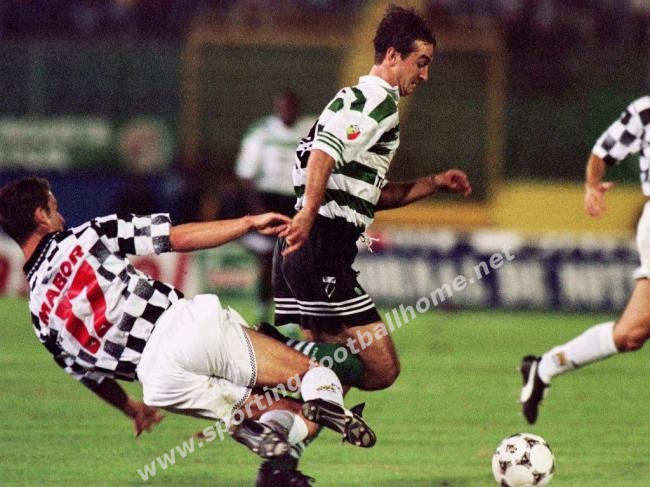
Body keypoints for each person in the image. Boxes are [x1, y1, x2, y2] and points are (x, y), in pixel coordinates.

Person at [0, 176, 377, 484]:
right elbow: (175, 237)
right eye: (54, 208)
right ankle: (329, 406)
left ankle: (260, 440)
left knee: (272, 414)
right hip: (185, 329)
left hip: (158, 382)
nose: (62, 216)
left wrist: (133, 409)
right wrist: (247, 223)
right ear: (41, 216)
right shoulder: (86, 237)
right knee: (314, 375)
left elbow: (89, 376)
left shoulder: (39, 315)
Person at [258, 5, 472, 484]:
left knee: (325, 381)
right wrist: (308, 216)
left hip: (308, 247)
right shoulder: (378, 101)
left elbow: (369, 194)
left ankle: (279, 466)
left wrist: (433, 182)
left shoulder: (352, 99)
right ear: (392, 56)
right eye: (420, 62)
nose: (425, 74)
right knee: (381, 368)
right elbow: (324, 152)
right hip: (321, 247)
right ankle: (269, 347)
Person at [520, 95, 650, 424]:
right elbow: (603, 151)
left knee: (630, 334)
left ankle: (545, 366)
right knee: (631, 333)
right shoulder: (646, 112)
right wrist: (592, 184)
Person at [235, 90, 314, 322]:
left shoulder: (310, 130)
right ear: (276, 107)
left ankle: (292, 316)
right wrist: (259, 211)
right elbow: (246, 176)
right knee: (268, 260)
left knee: (294, 261)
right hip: (266, 201)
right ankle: (263, 311)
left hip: (296, 202)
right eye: (283, 106)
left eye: (291, 106)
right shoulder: (261, 132)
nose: (287, 111)